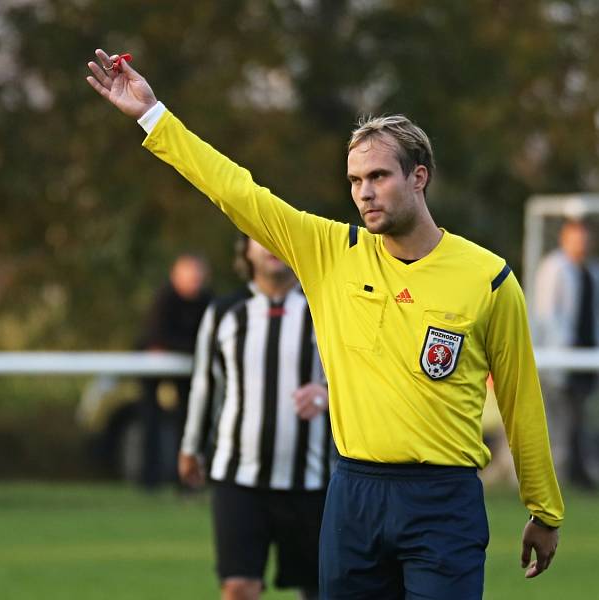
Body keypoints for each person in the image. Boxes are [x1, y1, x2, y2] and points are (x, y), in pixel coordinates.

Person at [87, 50, 563, 598]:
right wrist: (153, 116)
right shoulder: (331, 252)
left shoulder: (488, 278)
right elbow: (236, 191)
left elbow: (522, 402)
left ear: (420, 177)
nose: (364, 192)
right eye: (356, 179)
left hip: (442, 499)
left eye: (379, 176)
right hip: (352, 495)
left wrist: (544, 510)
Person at [178, 234, 333, 600]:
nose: (270, 246)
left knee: (321, 589)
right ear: (245, 250)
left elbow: (359, 376)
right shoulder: (223, 312)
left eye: (279, 237)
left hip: (313, 479)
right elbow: (204, 384)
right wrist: (190, 447)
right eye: (259, 237)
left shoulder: (325, 310)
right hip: (239, 476)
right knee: (238, 587)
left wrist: (327, 395)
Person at [532, 220, 599, 489]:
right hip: (558, 360)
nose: (581, 245)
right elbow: (545, 314)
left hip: (587, 358)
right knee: (560, 420)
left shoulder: (596, 272)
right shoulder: (554, 269)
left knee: (579, 417)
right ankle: (559, 475)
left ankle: (578, 472)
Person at [139, 253, 213, 489]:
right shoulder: (164, 299)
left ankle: (187, 480)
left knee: (190, 418)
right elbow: (157, 337)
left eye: (197, 277)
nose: (194, 282)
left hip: (188, 370)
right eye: (189, 276)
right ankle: (150, 480)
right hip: (153, 370)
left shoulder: (207, 301)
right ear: (175, 276)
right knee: (150, 418)